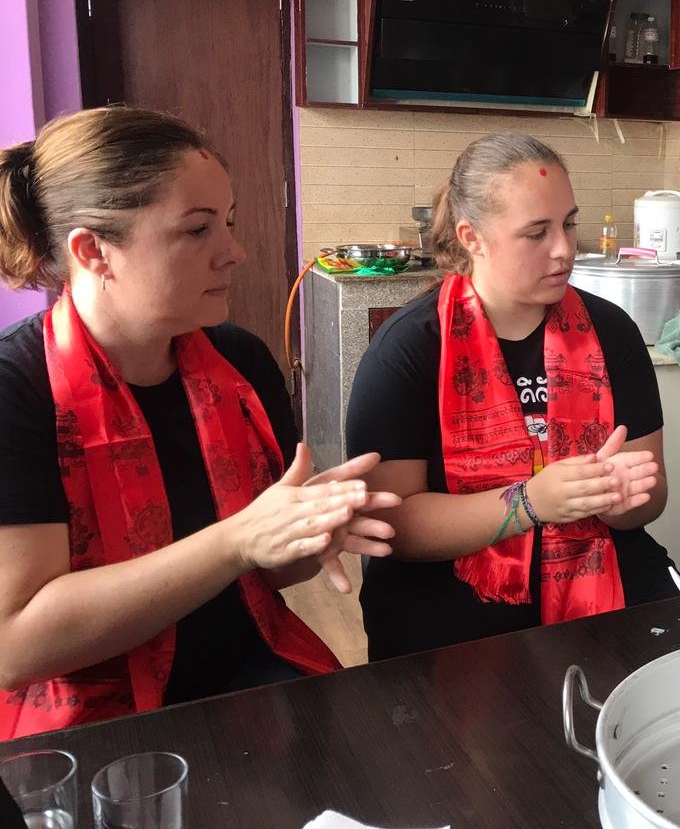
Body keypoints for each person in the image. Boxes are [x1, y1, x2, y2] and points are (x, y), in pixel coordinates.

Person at [0, 107, 399, 739]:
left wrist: (304, 533)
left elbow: (270, 573)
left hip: (247, 672)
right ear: (93, 251)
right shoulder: (17, 389)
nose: (234, 251)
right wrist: (237, 538)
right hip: (81, 717)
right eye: (196, 230)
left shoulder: (237, 360)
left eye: (230, 224)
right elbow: (15, 644)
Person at [347, 133, 680, 659]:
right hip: (450, 594)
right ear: (472, 236)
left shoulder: (610, 333)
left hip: (601, 569)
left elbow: (652, 496)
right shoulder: (410, 350)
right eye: (536, 233)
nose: (565, 249)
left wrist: (621, 500)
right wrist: (530, 503)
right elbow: (390, 523)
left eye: (569, 223)